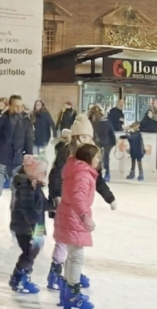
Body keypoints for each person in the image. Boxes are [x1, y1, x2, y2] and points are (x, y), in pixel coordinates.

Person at [47, 118, 115, 292]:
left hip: (78, 204)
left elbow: (96, 179)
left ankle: (72, 275)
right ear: (75, 136)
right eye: (82, 136)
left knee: (73, 243)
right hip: (65, 202)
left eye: (88, 136)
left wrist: (109, 197)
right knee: (65, 240)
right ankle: (56, 271)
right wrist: (56, 195)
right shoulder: (67, 151)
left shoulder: (91, 153)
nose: (85, 140)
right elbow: (55, 175)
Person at [54, 143, 101, 309]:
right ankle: (72, 296)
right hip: (73, 218)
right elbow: (78, 198)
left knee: (72, 255)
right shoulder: (82, 174)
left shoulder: (77, 169)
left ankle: (66, 293)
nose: (98, 161)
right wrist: (84, 216)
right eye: (96, 157)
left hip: (68, 215)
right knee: (76, 257)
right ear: (88, 158)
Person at [0, 95, 32, 235]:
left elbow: (29, 142)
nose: (19, 109)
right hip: (0, 161)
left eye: (21, 106)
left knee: (16, 196)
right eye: (16, 106)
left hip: (16, 163)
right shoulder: (0, 120)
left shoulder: (25, 122)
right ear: (9, 106)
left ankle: (14, 223)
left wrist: (28, 160)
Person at [8, 154, 50, 295]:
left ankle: (24, 275)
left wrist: (55, 205)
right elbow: (28, 210)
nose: (45, 175)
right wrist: (34, 228)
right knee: (28, 252)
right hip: (26, 228)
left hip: (36, 225)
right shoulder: (25, 187)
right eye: (43, 173)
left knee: (34, 250)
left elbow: (42, 203)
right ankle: (18, 278)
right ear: (35, 173)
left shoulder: (34, 185)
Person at [90, 105, 116, 183]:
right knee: (101, 159)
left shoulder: (104, 123)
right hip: (102, 144)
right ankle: (102, 173)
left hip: (106, 144)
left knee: (104, 158)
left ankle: (105, 173)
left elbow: (111, 134)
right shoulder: (95, 123)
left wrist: (113, 143)